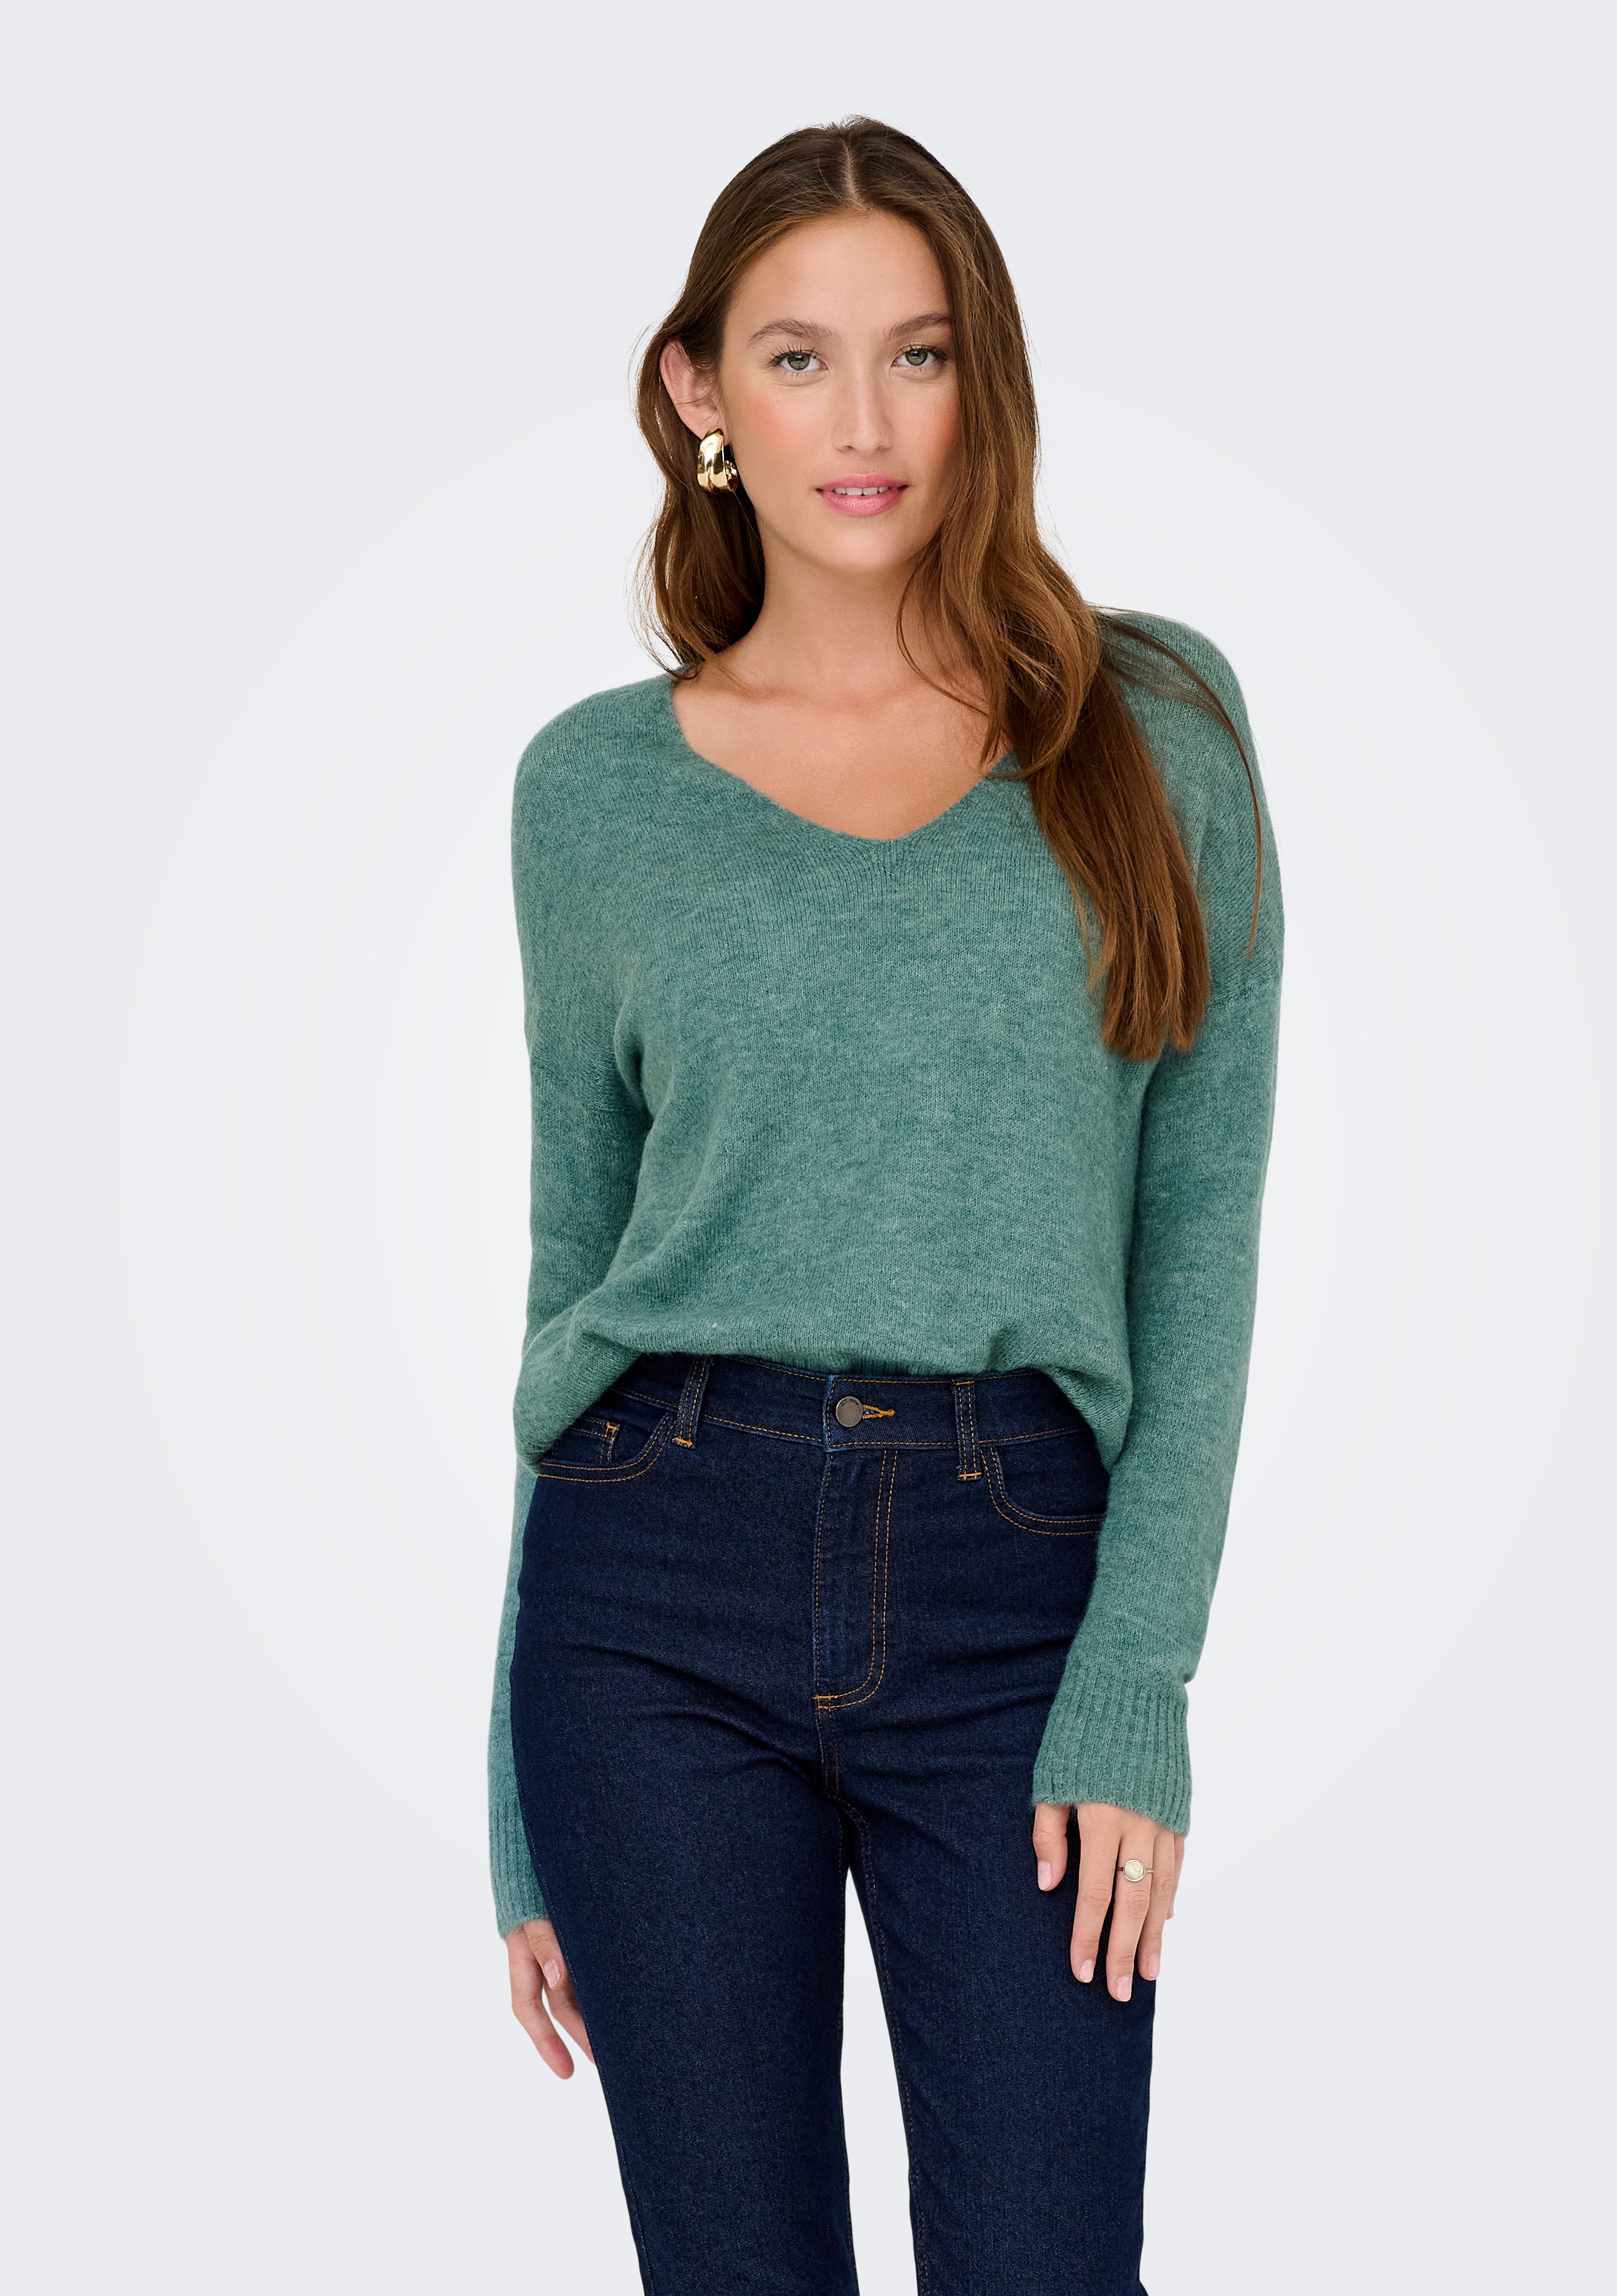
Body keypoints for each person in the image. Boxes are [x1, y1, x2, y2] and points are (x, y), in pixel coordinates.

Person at [488, 116, 1282, 2295]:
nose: (862, 422)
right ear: (699, 395)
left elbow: (1198, 1237)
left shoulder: (1154, 725)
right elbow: (572, 1285)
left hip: (1012, 1580)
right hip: (650, 1589)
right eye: (798, 357)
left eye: (915, 355)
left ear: (980, 379)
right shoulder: (591, 789)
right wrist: (513, 1796)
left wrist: (1135, 1683)